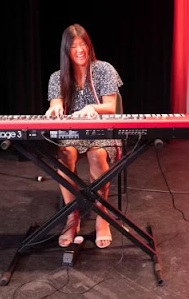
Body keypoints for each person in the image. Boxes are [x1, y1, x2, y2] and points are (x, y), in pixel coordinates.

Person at [45, 23, 123, 249]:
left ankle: (102, 215)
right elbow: (56, 103)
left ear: (89, 47)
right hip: (74, 133)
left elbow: (111, 107)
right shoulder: (57, 77)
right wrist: (55, 109)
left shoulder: (104, 69)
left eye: (83, 45)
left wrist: (93, 108)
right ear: (66, 51)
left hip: (103, 131)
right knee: (64, 152)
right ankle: (72, 216)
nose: (80, 50)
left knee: (97, 155)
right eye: (74, 47)